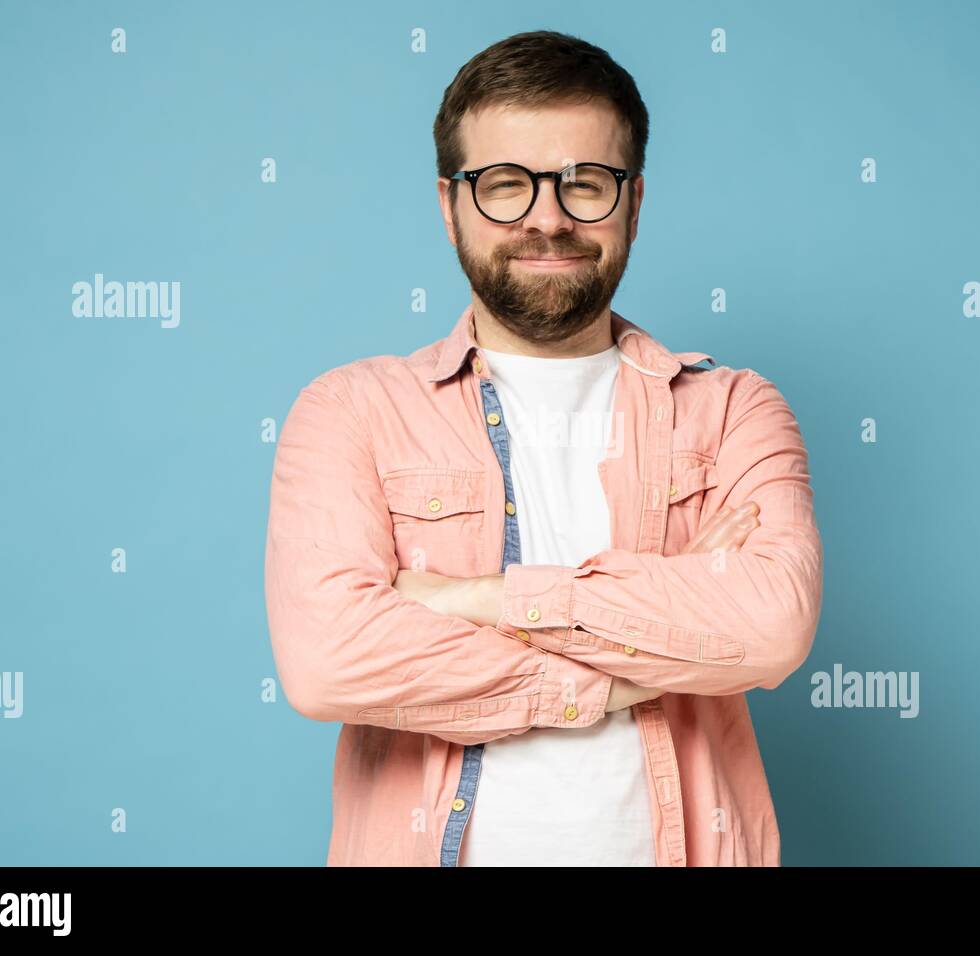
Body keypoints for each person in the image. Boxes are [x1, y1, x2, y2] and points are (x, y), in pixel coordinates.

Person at [263, 30, 823, 866]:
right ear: (449, 207)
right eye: (504, 186)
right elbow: (326, 662)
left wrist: (474, 597)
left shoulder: (735, 408)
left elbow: (769, 629)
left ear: (635, 203)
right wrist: (625, 677)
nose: (548, 218)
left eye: (586, 184)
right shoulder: (350, 411)